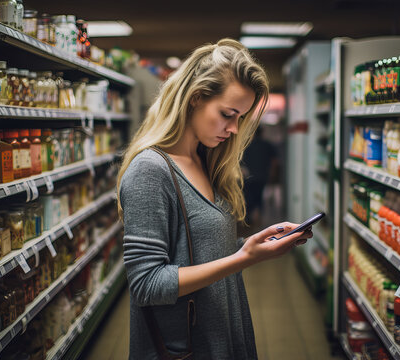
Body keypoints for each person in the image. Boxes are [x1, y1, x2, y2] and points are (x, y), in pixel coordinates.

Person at [117, 38, 313, 359]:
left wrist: (253, 246)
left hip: (221, 332)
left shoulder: (207, 161)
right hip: (188, 347)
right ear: (195, 98)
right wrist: (244, 259)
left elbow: (202, 255)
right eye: (227, 114)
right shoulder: (150, 171)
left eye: (241, 118)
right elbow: (147, 284)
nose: (234, 129)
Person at [242, 126, 278, 225]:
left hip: (249, 177)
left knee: (249, 197)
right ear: (262, 133)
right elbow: (274, 161)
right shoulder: (267, 145)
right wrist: (272, 174)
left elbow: (241, 162)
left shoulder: (247, 146)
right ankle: (259, 217)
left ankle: (249, 218)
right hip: (262, 176)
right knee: (259, 197)